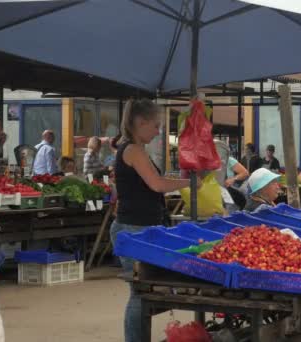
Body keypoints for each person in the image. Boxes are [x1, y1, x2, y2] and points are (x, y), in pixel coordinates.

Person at [109, 99, 197, 342]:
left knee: (143, 290)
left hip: (138, 227)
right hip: (134, 228)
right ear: (140, 122)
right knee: (140, 291)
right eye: (156, 126)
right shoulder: (133, 150)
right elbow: (157, 185)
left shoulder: (134, 149)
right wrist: (189, 183)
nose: (159, 131)